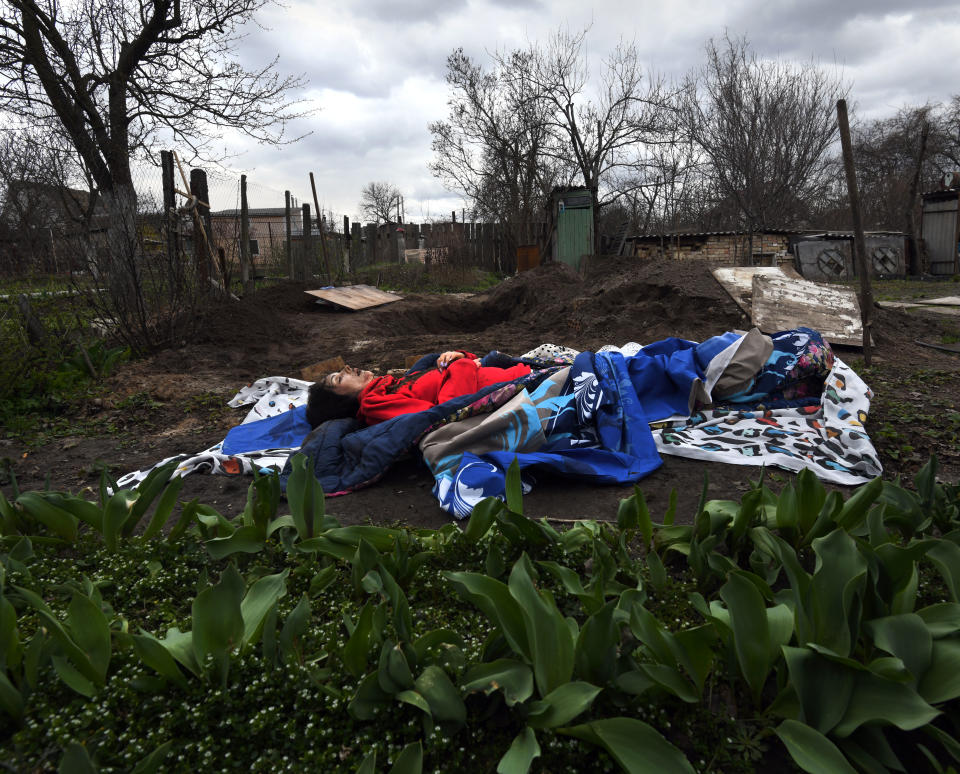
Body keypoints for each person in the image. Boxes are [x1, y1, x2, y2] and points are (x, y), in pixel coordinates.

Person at [305, 350, 532, 428]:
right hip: (524, 386)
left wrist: (459, 356)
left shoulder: (389, 386)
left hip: (517, 373)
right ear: (340, 402)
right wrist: (462, 365)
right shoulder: (375, 405)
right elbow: (445, 414)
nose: (347, 368)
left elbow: (443, 375)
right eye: (338, 378)